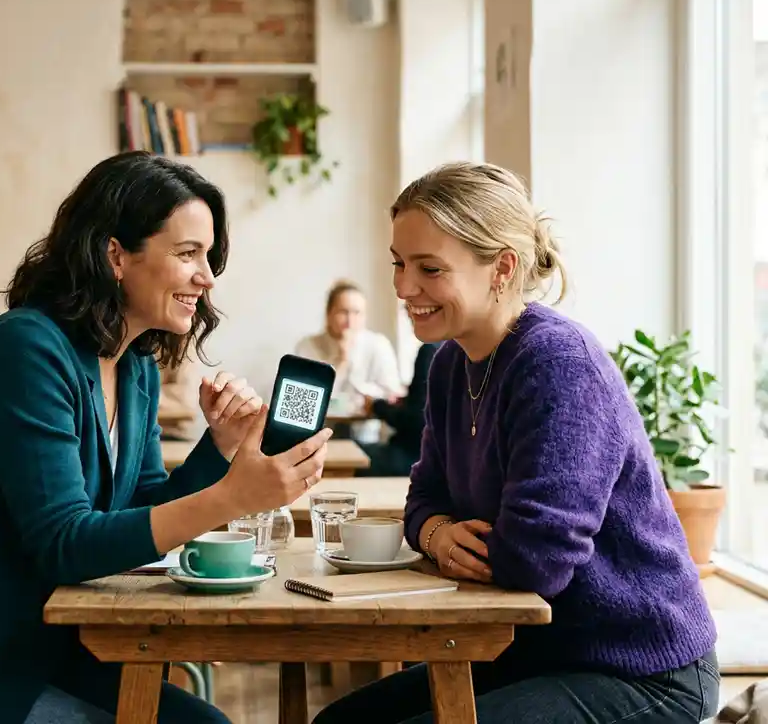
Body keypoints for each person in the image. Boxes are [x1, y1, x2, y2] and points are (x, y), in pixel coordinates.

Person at [0, 152, 333, 724]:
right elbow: (64, 543)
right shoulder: (25, 349)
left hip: (25, 650)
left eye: (209, 256)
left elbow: (140, 512)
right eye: (188, 253)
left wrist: (218, 450)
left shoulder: (135, 364)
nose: (208, 276)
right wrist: (233, 497)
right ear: (115, 254)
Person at [314, 161, 719, 724]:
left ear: (502, 268)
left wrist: (449, 537)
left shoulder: (559, 364)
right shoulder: (449, 363)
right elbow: (424, 498)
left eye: (430, 268)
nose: (405, 288)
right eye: (399, 264)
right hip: (529, 648)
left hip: (638, 666)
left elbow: (537, 559)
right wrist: (438, 533)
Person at [295, 279, 402, 441]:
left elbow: (391, 392)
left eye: (357, 313)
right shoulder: (307, 346)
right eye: (343, 312)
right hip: (316, 436)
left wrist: (362, 392)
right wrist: (341, 362)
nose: (350, 320)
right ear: (329, 314)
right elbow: (303, 401)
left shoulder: (378, 345)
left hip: (365, 437)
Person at [357, 341, 441, 476]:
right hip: (448, 460)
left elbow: (417, 419)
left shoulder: (431, 350)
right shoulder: (463, 349)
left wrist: (377, 406)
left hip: (413, 457)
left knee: (348, 452)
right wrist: (408, 400)